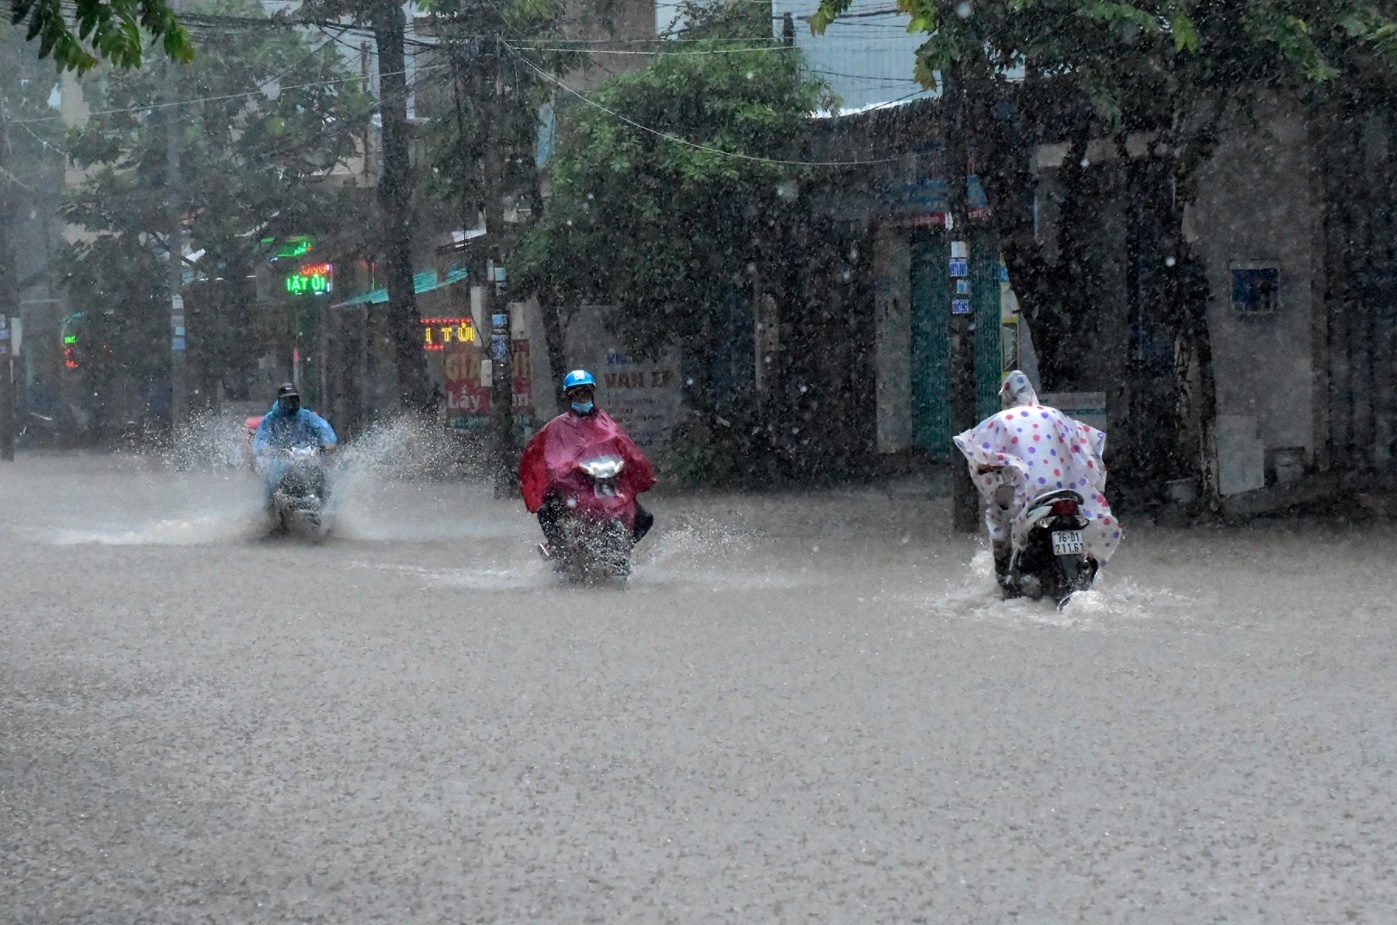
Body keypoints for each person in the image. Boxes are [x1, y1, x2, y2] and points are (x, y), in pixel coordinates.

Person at [952, 370, 1122, 586]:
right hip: (1069, 492)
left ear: (1007, 397)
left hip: (1031, 494)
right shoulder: (1055, 415)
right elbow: (1089, 448)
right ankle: (1087, 565)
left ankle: (1005, 579)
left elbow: (977, 452)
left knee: (997, 517)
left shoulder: (1002, 420)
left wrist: (987, 467)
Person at [518, 369, 656, 556]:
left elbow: (627, 450)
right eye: (577, 393)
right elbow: (547, 455)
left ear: (592, 393)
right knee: (546, 511)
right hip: (574, 484)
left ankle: (623, 545)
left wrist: (640, 470)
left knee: (644, 518)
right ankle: (558, 548)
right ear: (569, 396)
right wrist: (563, 471)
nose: (582, 397)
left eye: (585, 391)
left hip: (607, 483)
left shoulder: (607, 424)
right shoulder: (557, 427)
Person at [252, 383, 337, 496]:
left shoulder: (307, 417)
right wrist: (265, 449)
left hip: (307, 456)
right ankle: (270, 504)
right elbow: (260, 439)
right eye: (288, 400)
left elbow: (323, 429)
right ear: (280, 401)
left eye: (294, 399)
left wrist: (327, 444)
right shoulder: (270, 420)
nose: (292, 403)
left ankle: (325, 503)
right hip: (280, 458)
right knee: (272, 479)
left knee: (323, 475)